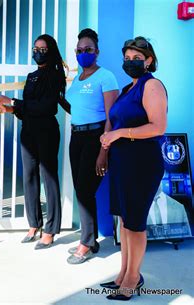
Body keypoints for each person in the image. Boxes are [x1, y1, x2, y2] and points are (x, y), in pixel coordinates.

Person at [100, 36, 167, 300]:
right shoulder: (129, 88)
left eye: (137, 59)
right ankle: (123, 274)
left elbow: (157, 127)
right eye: (127, 59)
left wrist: (118, 134)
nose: (131, 63)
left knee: (135, 223)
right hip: (123, 164)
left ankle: (132, 279)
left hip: (142, 164)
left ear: (149, 61)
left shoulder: (152, 86)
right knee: (126, 222)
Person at [0, 34, 70, 249]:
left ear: (51, 51)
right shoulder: (31, 76)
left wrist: (14, 101)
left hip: (46, 130)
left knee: (49, 177)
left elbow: (46, 107)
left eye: (43, 49)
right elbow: (27, 108)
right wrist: (8, 109)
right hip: (28, 130)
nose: (38, 52)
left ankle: (51, 229)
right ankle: (34, 224)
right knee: (29, 177)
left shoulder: (55, 76)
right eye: (35, 48)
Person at [65, 28, 119, 264]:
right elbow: (76, 109)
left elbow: (111, 117)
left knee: (86, 190)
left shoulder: (106, 77)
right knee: (81, 188)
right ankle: (92, 238)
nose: (83, 53)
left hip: (96, 137)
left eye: (88, 50)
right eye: (79, 50)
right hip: (76, 136)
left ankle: (86, 242)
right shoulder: (77, 78)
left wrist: (103, 151)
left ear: (97, 52)